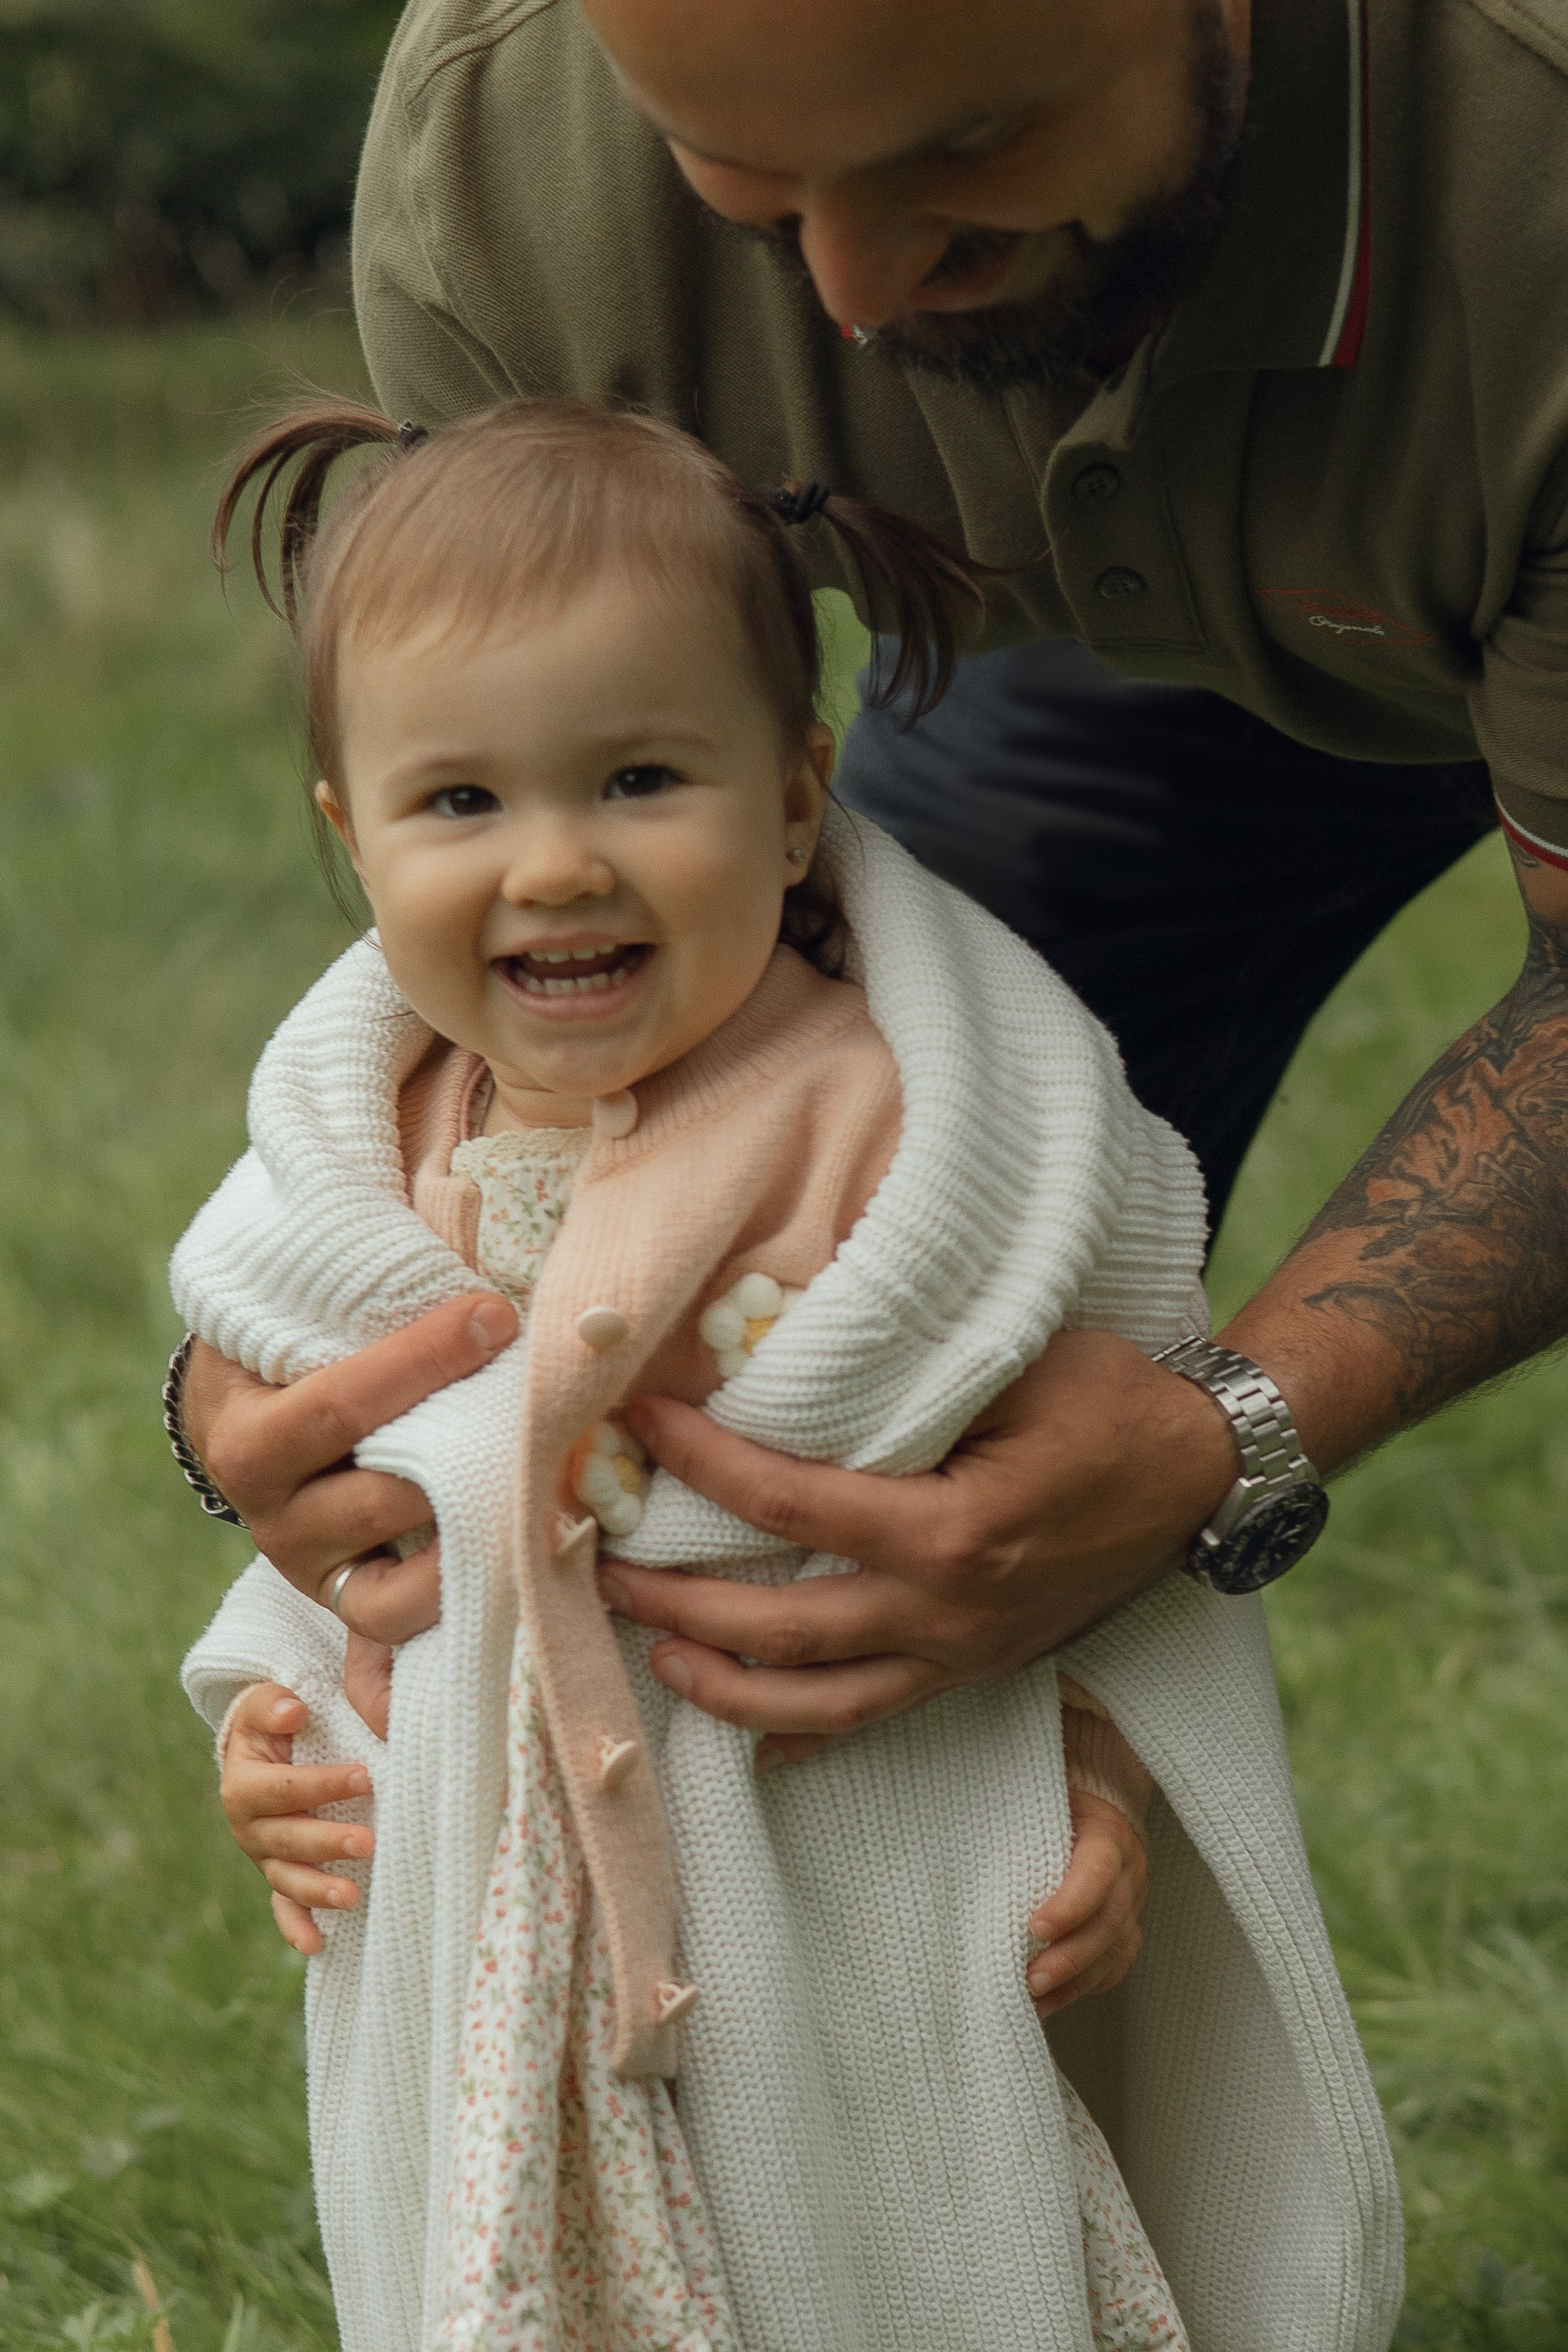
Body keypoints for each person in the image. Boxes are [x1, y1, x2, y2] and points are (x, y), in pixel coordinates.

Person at [170, 0, 1568, 1805]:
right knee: (884, 1342)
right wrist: (269, 1358)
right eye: (745, 186)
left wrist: (1230, 1428)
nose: (853, 289)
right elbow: (508, 820)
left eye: (963, 155)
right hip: (1080, 661)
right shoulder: (501, 148)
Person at [177, 396, 1396, 2352]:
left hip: (849, 1912)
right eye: (462, 804)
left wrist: (1092, 1775)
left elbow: (1066, 1524)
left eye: (642, 777)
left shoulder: (900, 1141)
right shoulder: (364, 1175)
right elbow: (363, 1520)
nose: (556, 866)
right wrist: (284, 1722)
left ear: (798, 791)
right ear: (350, 827)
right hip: (510, 1992)